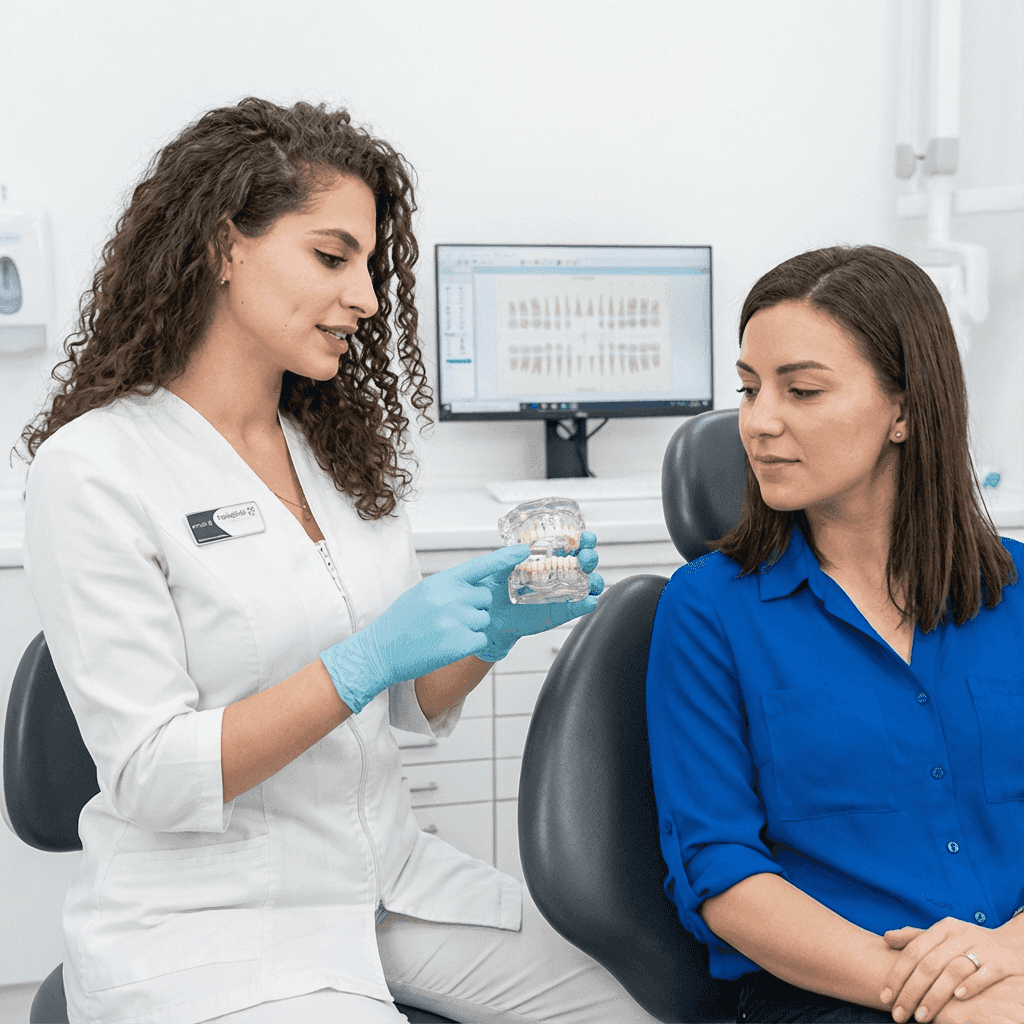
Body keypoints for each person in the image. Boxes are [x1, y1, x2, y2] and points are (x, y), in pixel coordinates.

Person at [17, 97, 659, 1024]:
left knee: (633, 1004)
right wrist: (361, 661)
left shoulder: (335, 459)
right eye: (331, 256)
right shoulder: (96, 471)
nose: (365, 295)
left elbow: (406, 699)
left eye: (368, 263)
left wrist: (489, 631)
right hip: (210, 923)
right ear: (223, 245)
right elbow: (153, 776)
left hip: (387, 882)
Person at [645, 245, 1024, 1024]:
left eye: (802, 390)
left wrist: (1012, 957)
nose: (759, 422)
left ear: (906, 409)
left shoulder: (1017, 589)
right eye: (749, 391)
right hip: (833, 996)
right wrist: (945, 998)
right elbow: (722, 874)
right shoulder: (707, 611)